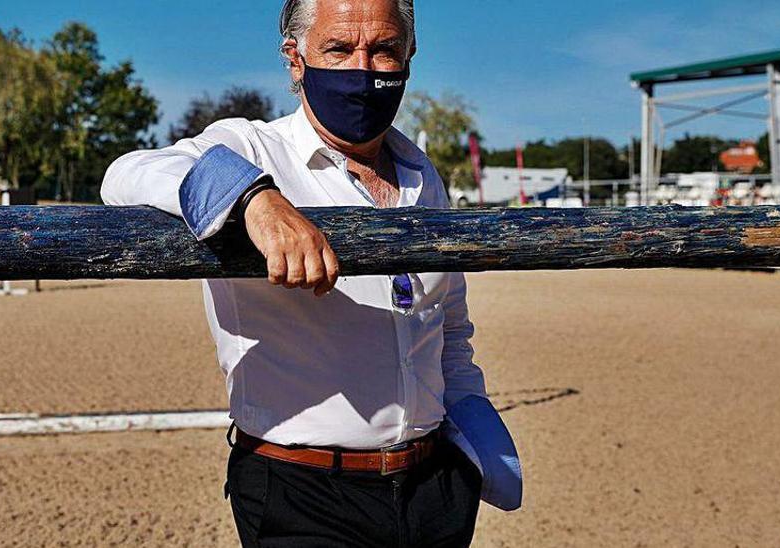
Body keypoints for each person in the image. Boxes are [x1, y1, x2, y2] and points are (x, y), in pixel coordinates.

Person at [102, 1, 520, 545]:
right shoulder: (252, 149)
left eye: (385, 50)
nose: (363, 69)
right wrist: (254, 198)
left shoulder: (423, 175)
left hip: (434, 489)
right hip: (303, 494)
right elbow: (125, 174)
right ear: (295, 59)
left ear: (410, 57)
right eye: (340, 49)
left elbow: (449, 325)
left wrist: (470, 435)